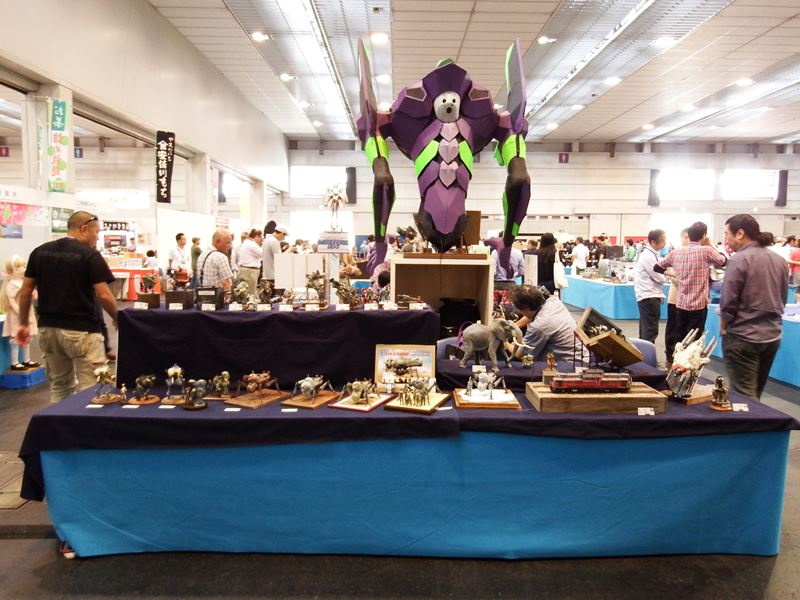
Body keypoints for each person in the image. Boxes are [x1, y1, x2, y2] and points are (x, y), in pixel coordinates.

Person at [16, 211, 117, 403]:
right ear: (84, 229)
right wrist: (117, 318)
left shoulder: (39, 252)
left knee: (60, 386)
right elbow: (104, 295)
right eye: (96, 232)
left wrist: (23, 324)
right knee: (93, 388)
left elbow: (26, 291)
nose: (97, 237)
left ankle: (60, 422)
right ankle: (86, 423)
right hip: (82, 330)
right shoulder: (90, 256)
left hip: (48, 329)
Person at [719, 215, 788, 400]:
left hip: (743, 336)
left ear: (740, 233)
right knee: (756, 394)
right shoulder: (779, 260)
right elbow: (782, 298)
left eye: (726, 234)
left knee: (745, 398)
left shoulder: (739, 260)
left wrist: (723, 326)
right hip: (771, 336)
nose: (726, 239)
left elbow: (728, 302)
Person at [654, 221, 726, 345]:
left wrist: (674, 274)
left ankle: (677, 357)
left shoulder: (676, 252)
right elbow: (724, 261)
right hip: (698, 305)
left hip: (681, 303)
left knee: (679, 338)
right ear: (704, 236)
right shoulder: (706, 250)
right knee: (694, 340)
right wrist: (711, 244)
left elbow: (657, 267)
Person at [506, 285, 588, 363]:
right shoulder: (553, 301)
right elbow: (531, 314)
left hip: (570, 364)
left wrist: (504, 342)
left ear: (525, 308)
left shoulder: (538, 327)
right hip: (582, 354)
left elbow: (521, 355)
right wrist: (515, 325)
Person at [1, 255, 40, 370]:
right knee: (15, 339)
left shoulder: (24, 283)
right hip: (16, 316)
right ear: (14, 269)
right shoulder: (11, 285)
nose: (24, 269)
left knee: (27, 337)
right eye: (21, 267)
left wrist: (34, 294)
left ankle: (26, 359)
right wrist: (22, 313)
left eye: (24, 266)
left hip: (27, 312)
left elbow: (32, 297)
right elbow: (12, 302)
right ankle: (15, 362)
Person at [633, 229, 667, 344]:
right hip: (649, 296)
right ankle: (647, 354)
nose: (664, 243)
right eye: (662, 241)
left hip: (647, 296)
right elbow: (659, 277)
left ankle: (643, 353)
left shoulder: (651, 254)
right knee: (650, 332)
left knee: (645, 331)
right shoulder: (648, 256)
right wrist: (665, 276)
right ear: (653, 242)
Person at [664, 228, 689, 365]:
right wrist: (688, 280)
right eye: (685, 237)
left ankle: (681, 358)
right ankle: (669, 354)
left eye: (690, 237)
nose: (688, 240)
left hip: (689, 301)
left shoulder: (696, 255)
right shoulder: (675, 254)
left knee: (684, 330)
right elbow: (672, 276)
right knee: (672, 328)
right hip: (675, 298)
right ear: (681, 238)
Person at [236, 229, 263, 298]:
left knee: (244, 292)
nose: (261, 239)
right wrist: (264, 245)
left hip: (245, 270)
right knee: (250, 294)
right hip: (250, 272)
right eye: (261, 237)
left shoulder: (247, 243)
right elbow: (262, 254)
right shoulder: (251, 244)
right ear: (256, 236)